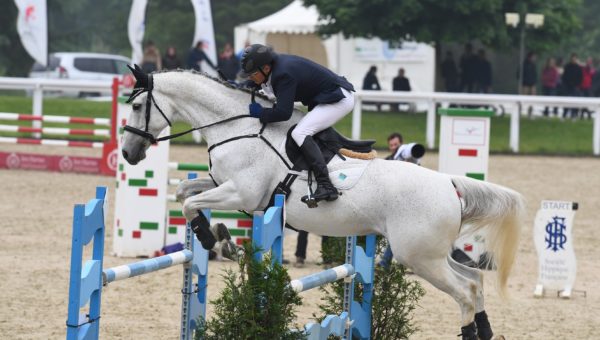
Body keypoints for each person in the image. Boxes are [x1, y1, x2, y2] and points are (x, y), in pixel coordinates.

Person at [241, 44, 355, 204]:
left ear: (266, 68)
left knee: (300, 132)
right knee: (302, 130)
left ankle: (326, 185)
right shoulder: (273, 67)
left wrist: (260, 113)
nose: (250, 78)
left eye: (252, 74)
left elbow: (283, 113)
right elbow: (260, 83)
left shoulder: (283, 74)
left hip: (338, 100)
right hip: (327, 97)